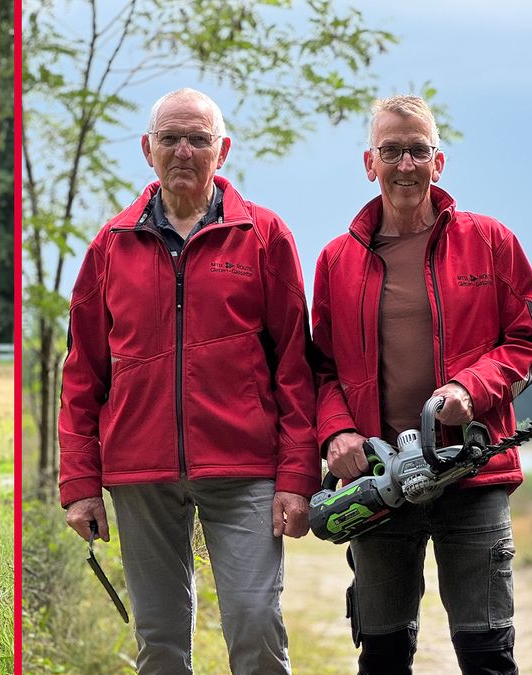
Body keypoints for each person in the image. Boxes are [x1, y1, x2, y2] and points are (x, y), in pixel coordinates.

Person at [58, 88, 320, 674]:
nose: (184, 151)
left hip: (245, 467)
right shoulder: (110, 245)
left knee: (255, 622)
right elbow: (82, 375)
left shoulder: (264, 236)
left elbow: (295, 369)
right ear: (148, 149)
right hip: (138, 468)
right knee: (160, 641)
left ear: (221, 151)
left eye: (198, 139)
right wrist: (79, 483)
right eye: (170, 139)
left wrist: (297, 475)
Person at [311, 95, 532, 674]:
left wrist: (471, 390)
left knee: (487, 650)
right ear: (370, 163)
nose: (406, 165)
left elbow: (527, 343)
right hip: (378, 478)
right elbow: (319, 370)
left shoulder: (491, 242)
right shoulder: (337, 261)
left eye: (419, 150)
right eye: (391, 151)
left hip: (473, 469)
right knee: (384, 654)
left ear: (439, 163)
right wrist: (337, 433)